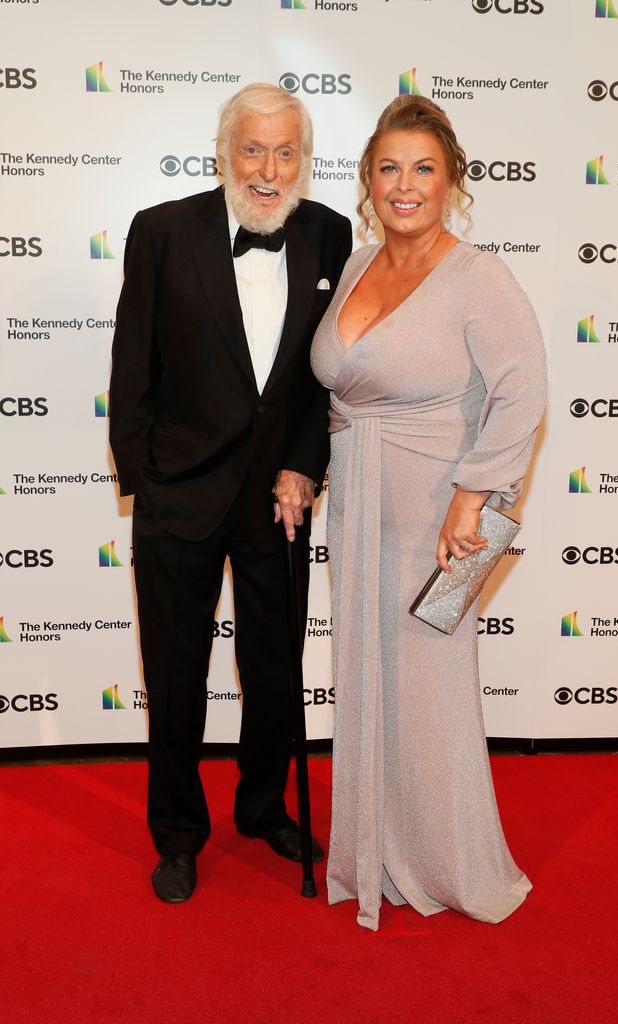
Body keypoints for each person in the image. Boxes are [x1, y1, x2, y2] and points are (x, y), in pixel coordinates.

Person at [109, 83, 352, 903]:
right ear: (223, 151)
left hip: (277, 497)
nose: (268, 168)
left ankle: (260, 807)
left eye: (286, 152)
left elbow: (330, 381)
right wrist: (147, 484)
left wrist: (305, 465)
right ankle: (177, 832)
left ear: (305, 162)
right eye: (254, 148)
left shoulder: (329, 234)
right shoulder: (163, 231)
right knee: (176, 674)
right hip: (179, 495)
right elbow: (131, 369)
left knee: (274, 671)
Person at [310, 95, 546, 931]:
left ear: (451, 181)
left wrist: (472, 499)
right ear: (367, 181)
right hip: (358, 495)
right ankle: (371, 847)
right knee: (367, 675)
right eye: (387, 168)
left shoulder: (479, 275)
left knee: (429, 684)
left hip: (440, 511)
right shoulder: (355, 263)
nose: (403, 186)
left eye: (422, 169)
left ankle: (447, 859)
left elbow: (522, 393)